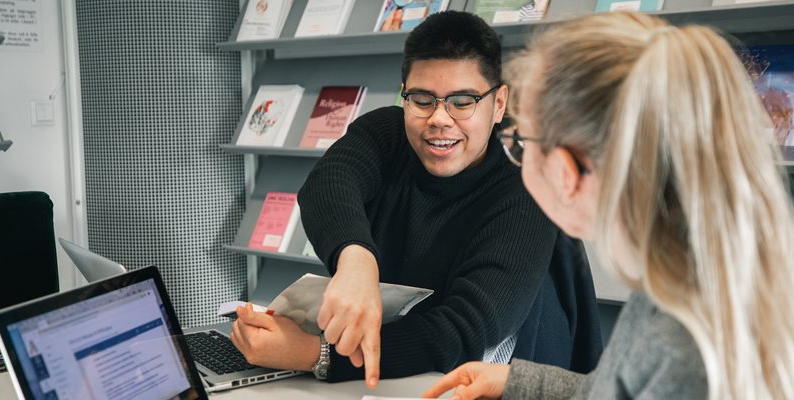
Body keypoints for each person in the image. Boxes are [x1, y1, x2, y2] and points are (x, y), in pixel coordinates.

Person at [424, 11, 794, 400]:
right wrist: (516, 381)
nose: (515, 153)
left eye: (521, 142)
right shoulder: (689, 276)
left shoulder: (689, 349)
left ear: (566, 172)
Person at [229, 10, 602, 388]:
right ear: (404, 94)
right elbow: (327, 184)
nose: (439, 118)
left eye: (463, 101)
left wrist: (312, 353)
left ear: (499, 103)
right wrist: (356, 261)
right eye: (422, 99)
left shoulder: (528, 179)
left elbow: (460, 333)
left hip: (485, 377)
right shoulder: (387, 133)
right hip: (397, 371)